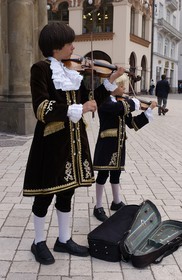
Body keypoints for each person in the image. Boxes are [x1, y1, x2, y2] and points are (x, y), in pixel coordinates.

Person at [23, 22, 125, 265]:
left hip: (74, 143)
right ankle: (38, 242)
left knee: (67, 192)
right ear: (56, 46)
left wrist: (109, 81)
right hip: (52, 144)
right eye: (69, 43)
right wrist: (74, 108)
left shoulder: (71, 71)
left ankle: (64, 239)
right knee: (45, 196)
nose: (73, 47)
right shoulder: (40, 69)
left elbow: (89, 100)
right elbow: (41, 108)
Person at [93, 75, 157, 222]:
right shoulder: (105, 101)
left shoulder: (121, 103)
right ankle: (98, 206)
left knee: (116, 174)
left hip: (119, 144)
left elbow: (132, 123)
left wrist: (148, 112)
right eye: (122, 87)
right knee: (103, 175)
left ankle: (116, 202)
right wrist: (132, 102)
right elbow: (116, 108)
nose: (125, 90)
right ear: (114, 87)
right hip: (107, 144)